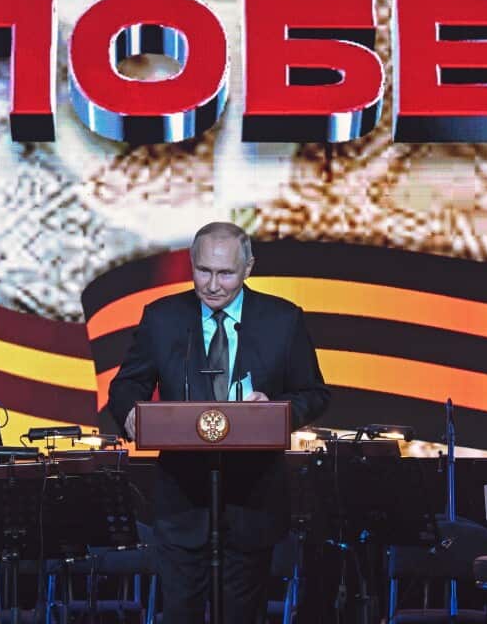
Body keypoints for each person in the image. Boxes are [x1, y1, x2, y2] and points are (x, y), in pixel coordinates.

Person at [106, 222, 330, 624]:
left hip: (252, 501)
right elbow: (126, 386)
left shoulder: (282, 319)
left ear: (249, 269)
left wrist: (277, 410)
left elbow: (313, 393)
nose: (212, 285)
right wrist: (130, 415)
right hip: (181, 503)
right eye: (203, 271)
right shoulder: (163, 318)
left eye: (225, 273)